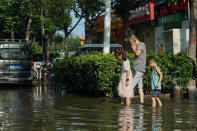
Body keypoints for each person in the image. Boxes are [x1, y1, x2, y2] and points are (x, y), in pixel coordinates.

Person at [129, 34, 146, 104]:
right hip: (137, 69)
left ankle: (127, 101)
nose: (131, 44)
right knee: (140, 87)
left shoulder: (141, 44)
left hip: (139, 69)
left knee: (131, 86)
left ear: (134, 40)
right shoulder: (138, 45)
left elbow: (137, 54)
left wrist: (133, 47)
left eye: (131, 42)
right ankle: (141, 103)